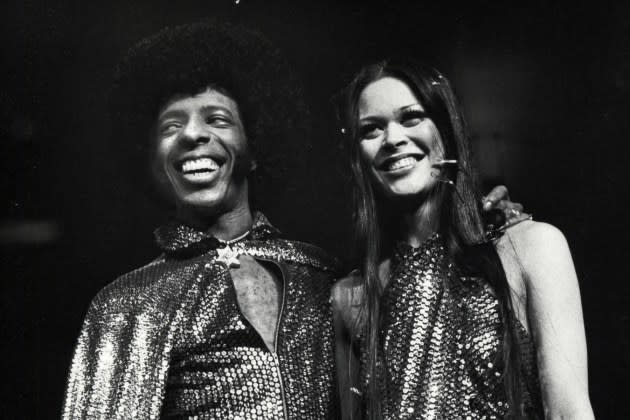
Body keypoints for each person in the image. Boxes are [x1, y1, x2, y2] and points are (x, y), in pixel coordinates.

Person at [62, 21, 341, 419]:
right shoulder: (126, 304)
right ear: (153, 161)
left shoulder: (322, 276)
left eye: (217, 119)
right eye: (171, 126)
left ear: (256, 145)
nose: (193, 134)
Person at [332, 59, 594, 419]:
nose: (393, 139)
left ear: (446, 128)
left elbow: (567, 411)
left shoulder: (532, 248)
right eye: (372, 129)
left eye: (411, 117)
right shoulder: (353, 296)